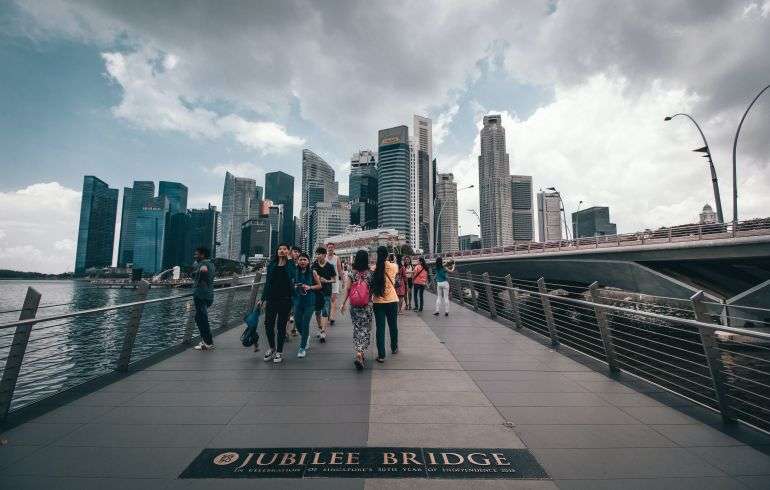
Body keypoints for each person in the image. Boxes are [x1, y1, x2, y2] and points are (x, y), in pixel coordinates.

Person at [258, 243, 296, 363]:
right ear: (277, 251)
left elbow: (292, 275)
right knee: (268, 324)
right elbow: (268, 283)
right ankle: (272, 347)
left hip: (285, 299)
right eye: (280, 249)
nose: (282, 251)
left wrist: (289, 259)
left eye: (284, 249)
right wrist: (262, 298)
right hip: (271, 299)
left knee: (281, 327)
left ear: (288, 252)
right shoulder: (272, 265)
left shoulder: (290, 264)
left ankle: (279, 351)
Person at [340, 249, 373, 370]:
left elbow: (348, 289)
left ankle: (359, 353)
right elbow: (372, 291)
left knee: (357, 328)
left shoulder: (351, 273)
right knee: (365, 329)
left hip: (354, 306)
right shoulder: (370, 274)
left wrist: (343, 303)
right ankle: (360, 352)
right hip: (367, 306)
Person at [371, 246, 399, 362]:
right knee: (393, 326)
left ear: (378, 255)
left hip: (378, 302)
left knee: (380, 328)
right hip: (392, 300)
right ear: (387, 255)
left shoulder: (374, 268)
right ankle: (394, 347)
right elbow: (396, 270)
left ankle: (381, 355)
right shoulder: (394, 266)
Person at [293, 252, 321, 358]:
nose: (302, 261)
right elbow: (291, 284)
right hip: (297, 301)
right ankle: (306, 336)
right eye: (301, 259)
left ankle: (302, 348)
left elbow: (319, 285)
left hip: (310, 301)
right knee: (297, 322)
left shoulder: (312, 272)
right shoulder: (295, 272)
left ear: (308, 261)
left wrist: (310, 287)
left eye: (305, 259)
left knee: (305, 323)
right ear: (297, 261)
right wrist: (295, 286)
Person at [192, 246, 216, 351]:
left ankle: (208, 343)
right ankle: (206, 340)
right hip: (208, 295)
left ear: (202, 255)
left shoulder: (203, 265)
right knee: (199, 318)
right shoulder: (211, 264)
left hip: (201, 295)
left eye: (197, 254)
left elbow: (201, 275)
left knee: (202, 319)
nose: (195, 255)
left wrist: (200, 274)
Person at [312, 246, 337, 343]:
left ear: (324, 255)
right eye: (317, 254)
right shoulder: (314, 265)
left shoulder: (330, 266)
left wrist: (326, 281)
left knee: (325, 311)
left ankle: (323, 331)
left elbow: (334, 279)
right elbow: (312, 274)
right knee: (317, 312)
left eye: (320, 254)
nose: (318, 256)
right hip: (316, 292)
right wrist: (317, 278)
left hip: (326, 291)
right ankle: (320, 327)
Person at [326, 242, 343, 326]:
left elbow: (340, 270)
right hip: (325, 282)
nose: (330, 249)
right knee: (327, 300)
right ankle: (328, 315)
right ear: (327, 248)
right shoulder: (324, 258)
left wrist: (342, 280)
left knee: (333, 299)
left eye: (332, 247)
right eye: (329, 247)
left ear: (334, 248)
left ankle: (332, 317)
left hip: (335, 281)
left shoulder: (337, 258)